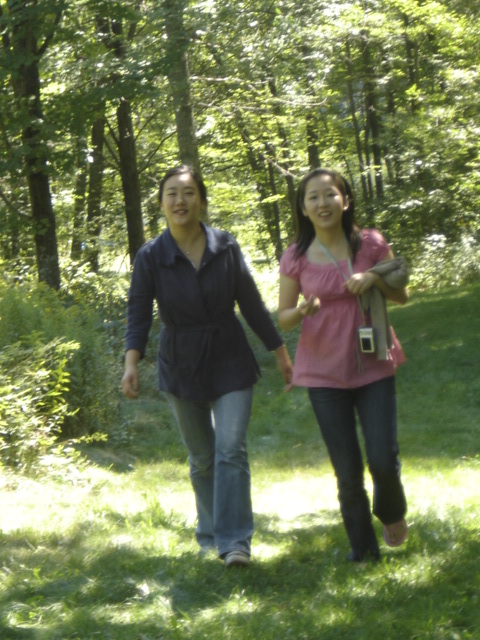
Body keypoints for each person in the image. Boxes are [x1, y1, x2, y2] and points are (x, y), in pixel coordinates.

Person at [121, 165, 293, 568]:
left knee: (230, 448)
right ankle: (211, 535)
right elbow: (138, 314)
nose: (180, 201)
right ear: (161, 203)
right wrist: (131, 363)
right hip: (180, 361)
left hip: (230, 355)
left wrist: (280, 352)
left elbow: (251, 303)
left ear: (201, 199)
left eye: (188, 192)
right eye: (172, 193)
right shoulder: (151, 256)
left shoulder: (225, 246)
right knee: (202, 457)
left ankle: (235, 542)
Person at [278, 167, 409, 562]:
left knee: (382, 457)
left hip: (373, 362)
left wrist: (373, 279)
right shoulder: (295, 256)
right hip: (322, 372)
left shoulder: (371, 243)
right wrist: (302, 310)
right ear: (303, 208)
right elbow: (283, 317)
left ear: (345, 200)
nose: (323, 203)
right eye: (313, 197)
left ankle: (391, 512)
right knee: (347, 472)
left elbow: (401, 295)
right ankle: (363, 551)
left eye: (330, 194)